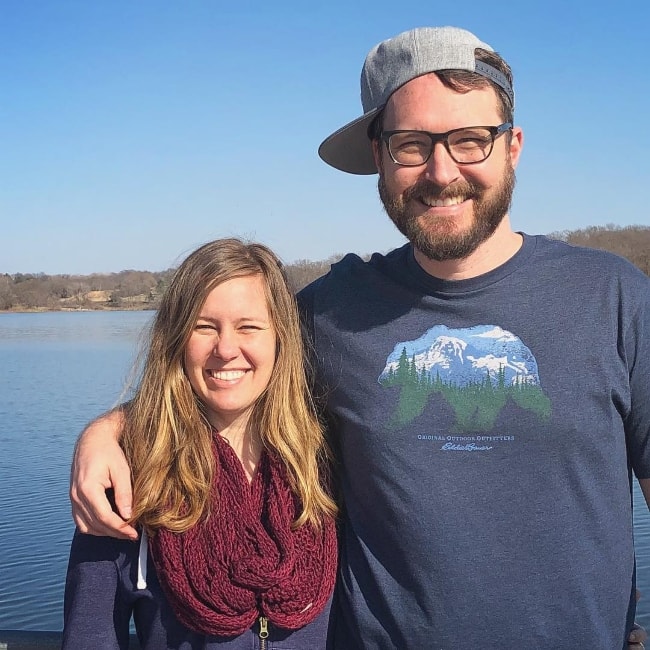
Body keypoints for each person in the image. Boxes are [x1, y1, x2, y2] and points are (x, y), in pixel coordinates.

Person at [69, 27, 650, 649]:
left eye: (470, 140)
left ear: (512, 147)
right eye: (411, 145)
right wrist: (111, 430)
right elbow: (225, 365)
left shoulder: (615, 297)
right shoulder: (332, 312)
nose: (442, 170)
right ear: (379, 157)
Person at [62, 239, 338, 649]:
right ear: (176, 337)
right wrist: (104, 432)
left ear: (281, 337)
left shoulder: (326, 463)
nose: (226, 349)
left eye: (249, 326)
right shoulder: (125, 479)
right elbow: (90, 637)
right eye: (204, 326)